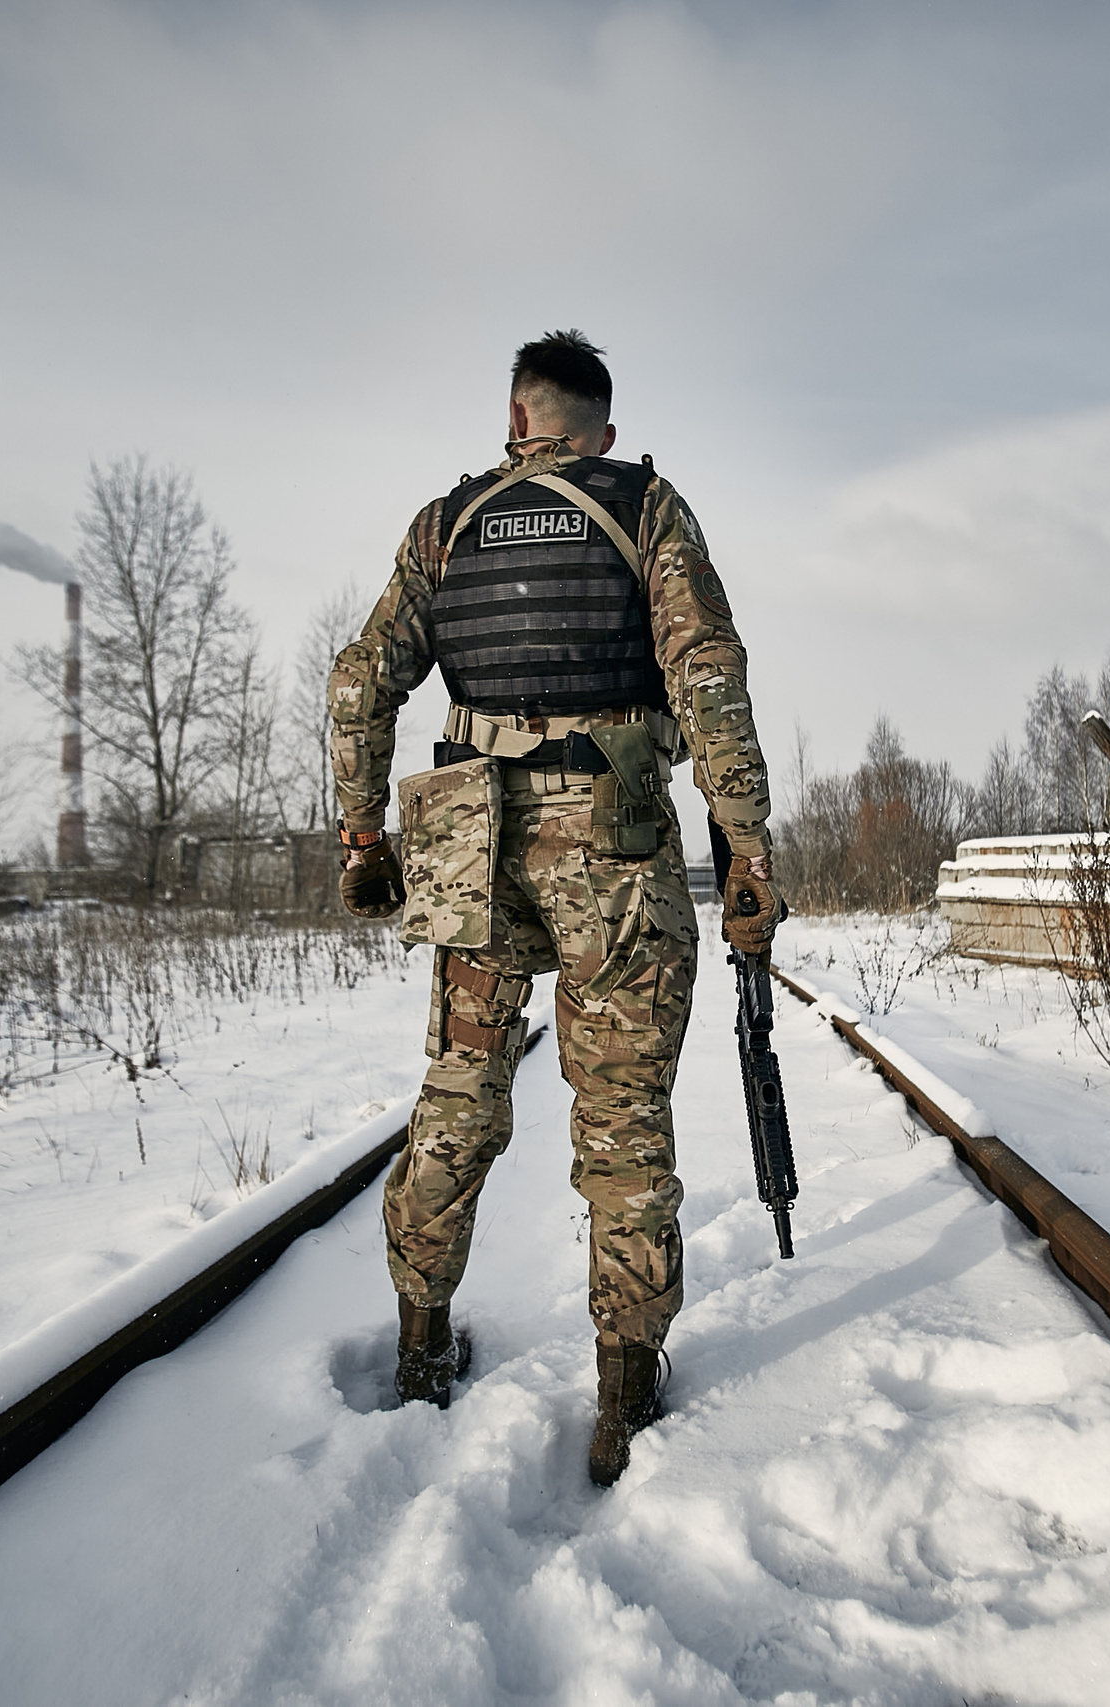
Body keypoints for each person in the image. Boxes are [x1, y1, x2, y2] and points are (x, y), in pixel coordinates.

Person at [327, 329, 780, 1486]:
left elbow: (357, 682)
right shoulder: (643, 506)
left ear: (515, 422)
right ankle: (625, 1385)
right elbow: (707, 675)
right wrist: (743, 844)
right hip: (609, 839)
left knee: (459, 1091)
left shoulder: (446, 524)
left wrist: (362, 833)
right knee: (620, 1113)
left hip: (464, 839)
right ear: (601, 434)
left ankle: (422, 1345)